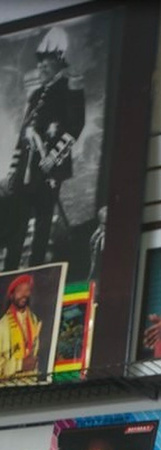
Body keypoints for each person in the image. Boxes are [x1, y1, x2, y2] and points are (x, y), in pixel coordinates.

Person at [2, 26, 85, 270]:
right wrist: (14, 169)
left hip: (48, 169)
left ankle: (36, 270)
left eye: (46, 60)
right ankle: (10, 269)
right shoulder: (37, 93)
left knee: (43, 222)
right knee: (18, 220)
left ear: (59, 60)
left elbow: (75, 127)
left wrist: (53, 158)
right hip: (26, 170)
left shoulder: (70, 88)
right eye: (39, 61)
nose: (41, 66)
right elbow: (24, 135)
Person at [0, 274, 41, 380]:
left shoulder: (34, 320)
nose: (24, 294)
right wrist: (20, 365)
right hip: (11, 387)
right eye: (19, 290)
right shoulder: (2, 326)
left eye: (27, 290)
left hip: (32, 384)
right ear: (11, 295)